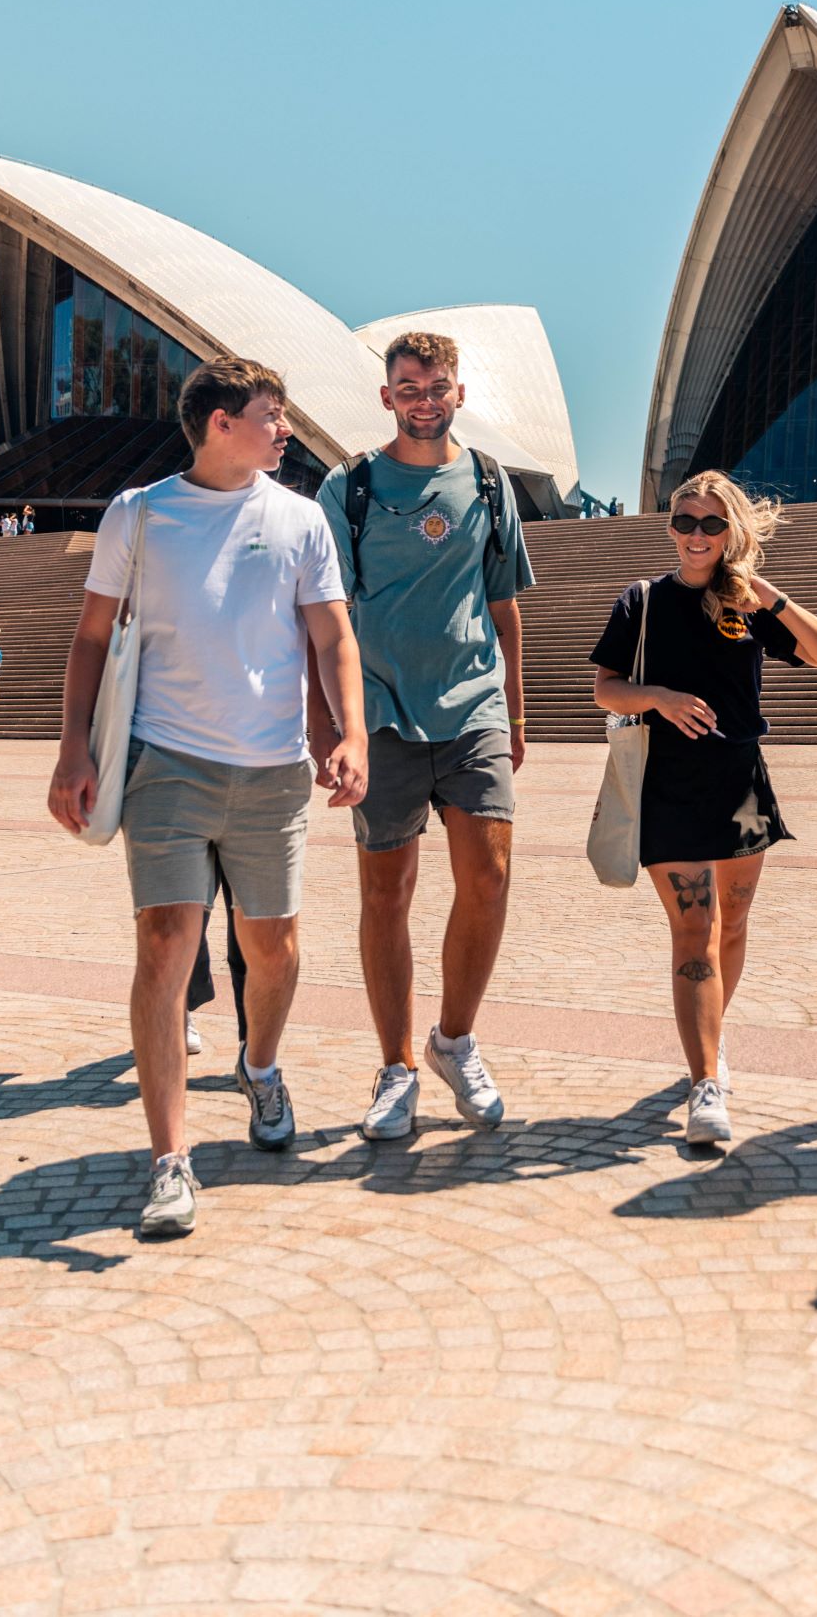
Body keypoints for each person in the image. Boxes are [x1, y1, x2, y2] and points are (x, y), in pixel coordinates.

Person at [47, 357, 368, 1243]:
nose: (287, 428)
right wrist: (72, 747)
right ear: (221, 423)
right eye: (273, 414)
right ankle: (170, 1163)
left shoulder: (300, 518)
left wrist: (352, 732)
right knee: (163, 945)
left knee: (277, 950)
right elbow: (88, 637)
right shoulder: (139, 515)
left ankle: (260, 1066)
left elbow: (333, 633)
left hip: (270, 770)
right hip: (167, 764)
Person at [312, 330, 534, 1143]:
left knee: (491, 874)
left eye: (437, 386)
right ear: (386, 397)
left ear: (459, 393)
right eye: (409, 387)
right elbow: (325, 612)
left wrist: (514, 710)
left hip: (473, 705)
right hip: (383, 714)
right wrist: (328, 726)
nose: (425, 400)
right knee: (388, 892)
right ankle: (397, 1067)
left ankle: (455, 1040)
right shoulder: (351, 486)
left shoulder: (486, 479)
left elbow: (504, 601)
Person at [590, 473, 817, 1147]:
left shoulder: (749, 605)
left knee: (732, 927)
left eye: (710, 524)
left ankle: (712, 1039)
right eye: (684, 521)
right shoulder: (641, 601)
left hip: (739, 785)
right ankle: (704, 1079)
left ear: (731, 531)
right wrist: (660, 697)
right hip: (667, 787)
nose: (696, 535)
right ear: (669, 527)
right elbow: (605, 689)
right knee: (694, 928)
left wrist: (773, 598)